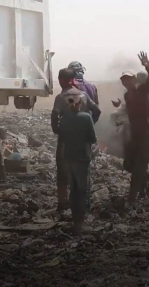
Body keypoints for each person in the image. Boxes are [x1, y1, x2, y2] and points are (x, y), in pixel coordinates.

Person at [51, 68, 100, 212]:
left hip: (66, 140)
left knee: (63, 172)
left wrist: (58, 130)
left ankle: (62, 203)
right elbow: (97, 110)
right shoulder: (84, 95)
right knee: (84, 171)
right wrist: (89, 123)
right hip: (83, 141)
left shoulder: (61, 98)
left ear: (61, 80)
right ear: (73, 80)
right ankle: (85, 204)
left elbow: (54, 116)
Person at [121, 51, 149, 207]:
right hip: (134, 135)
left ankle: (132, 199)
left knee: (138, 167)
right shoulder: (127, 96)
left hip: (145, 135)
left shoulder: (143, 91)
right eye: (123, 79)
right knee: (129, 165)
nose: (125, 82)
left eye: (128, 79)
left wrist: (147, 65)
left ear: (134, 80)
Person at [58, 94, 97, 236]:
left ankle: (75, 222)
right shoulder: (86, 117)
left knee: (73, 190)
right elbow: (92, 138)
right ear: (80, 103)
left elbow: (61, 138)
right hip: (82, 158)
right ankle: (79, 226)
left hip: (68, 158)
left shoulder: (64, 118)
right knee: (81, 191)